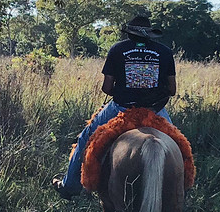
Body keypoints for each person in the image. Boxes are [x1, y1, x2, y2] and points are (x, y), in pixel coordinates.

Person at [52, 15, 176, 199]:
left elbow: (107, 88)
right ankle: (182, 189)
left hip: (122, 109)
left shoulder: (118, 49)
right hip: (155, 111)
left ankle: (69, 186)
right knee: (179, 146)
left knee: (86, 138)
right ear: (149, 34)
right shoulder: (165, 52)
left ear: (129, 34)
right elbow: (172, 90)